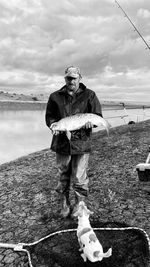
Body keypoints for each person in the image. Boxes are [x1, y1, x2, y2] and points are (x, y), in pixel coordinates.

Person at [45, 66, 102, 218]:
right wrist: (53, 126)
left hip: (82, 143)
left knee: (79, 176)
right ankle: (64, 203)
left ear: (80, 78)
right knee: (63, 174)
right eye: (68, 78)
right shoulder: (54, 96)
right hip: (61, 142)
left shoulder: (90, 95)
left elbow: (96, 115)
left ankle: (79, 205)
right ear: (65, 78)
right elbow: (50, 117)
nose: (71, 81)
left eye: (74, 78)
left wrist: (92, 123)